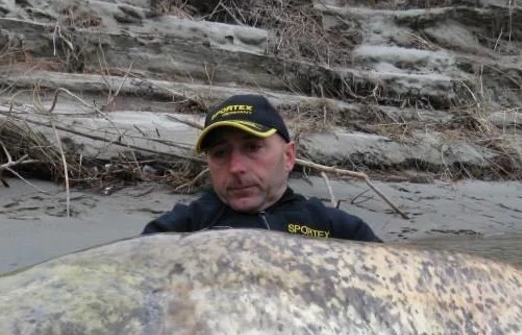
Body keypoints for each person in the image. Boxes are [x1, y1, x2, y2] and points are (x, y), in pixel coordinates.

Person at [142, 94, 382, 242]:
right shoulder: (175, 231)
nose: (235, 167)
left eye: (252, 148)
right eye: (220, 153)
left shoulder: (340, 231)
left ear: (288, 156)